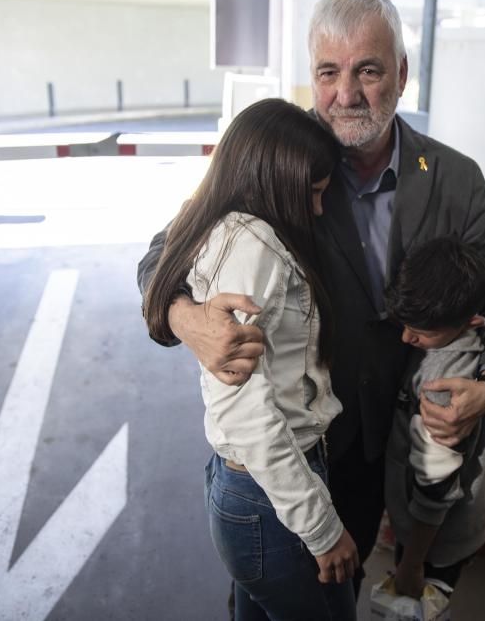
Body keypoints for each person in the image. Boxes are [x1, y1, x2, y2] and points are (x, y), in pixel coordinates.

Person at [137, 0, 485, 594]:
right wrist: (190, 321)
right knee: (273, 588)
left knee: (343, 576)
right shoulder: (277, 160)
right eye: (328, 72)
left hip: (390, 438)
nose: (346, 94)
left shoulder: (453, 178)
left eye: (368, 70)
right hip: (299, 442)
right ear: (311, 77)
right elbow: (162, 257)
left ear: (401, 74)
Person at [142, 97, 358, 620]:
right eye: (313, 194)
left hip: (253, 488)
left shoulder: (222, 218)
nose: (319, 209)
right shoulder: (255, 247)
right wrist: (323, 529)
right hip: (272, 495)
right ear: (271, 181)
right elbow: (244, 412)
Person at [382, 236, 485, 599]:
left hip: (435, 540)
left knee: (423, 602)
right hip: (441, 528)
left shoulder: (443, 386)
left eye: (420, 332)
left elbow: (435, 489)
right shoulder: (465, 328)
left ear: (467, 319)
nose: (405, 337)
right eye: (405, 324)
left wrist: (413, 563)